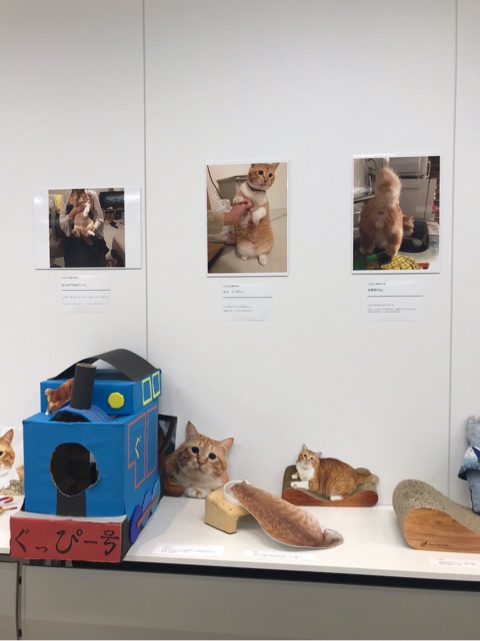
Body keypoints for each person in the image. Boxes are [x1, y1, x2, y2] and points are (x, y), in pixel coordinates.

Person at [59, 189, 108, 267]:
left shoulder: (91, 195)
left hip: (90, 234)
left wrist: (90, 233)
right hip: (73, 237)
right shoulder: (65, 198)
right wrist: (73, 212)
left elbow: (100, 219)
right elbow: (62, 222)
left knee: (94, 264)